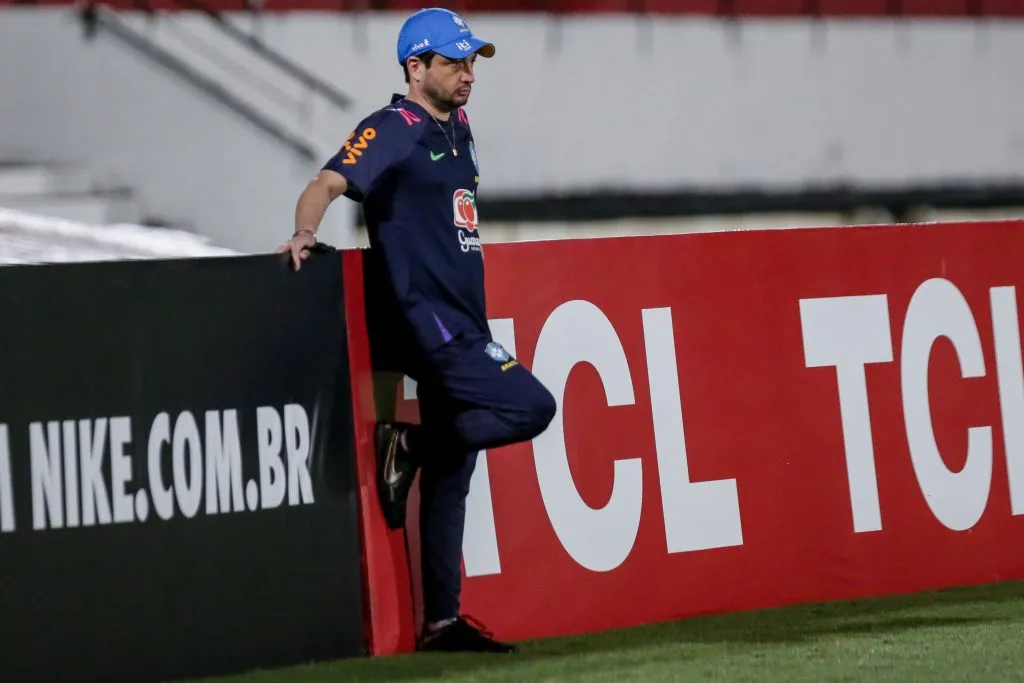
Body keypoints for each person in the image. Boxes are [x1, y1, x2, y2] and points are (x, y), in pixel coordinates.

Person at [276, 7, 556, 654]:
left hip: (465, 315)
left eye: (472, 62)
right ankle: (413, 444)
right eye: (455, 62)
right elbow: (326, 180)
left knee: (456, 475)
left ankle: (441, 622)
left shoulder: (457, 125)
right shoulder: (393, 128)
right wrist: (304, 233)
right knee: (533, 405)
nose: (469, 75)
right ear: (415, 67)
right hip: (431, 322)